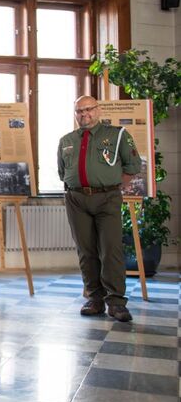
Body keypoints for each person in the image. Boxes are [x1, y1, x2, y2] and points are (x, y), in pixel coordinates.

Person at [58, 95, 141, 322]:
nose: (84, 115)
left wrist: (111, 186)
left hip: (107, 199)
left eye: (88, 109)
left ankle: (116, 302)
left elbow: (133, 166)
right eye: (79, 111)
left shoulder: (117, 135)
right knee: (86, 251)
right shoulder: (66, 140)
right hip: (76, 200)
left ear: (98, 109)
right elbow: (62, 172)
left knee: (111, 250)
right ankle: (95, 298)